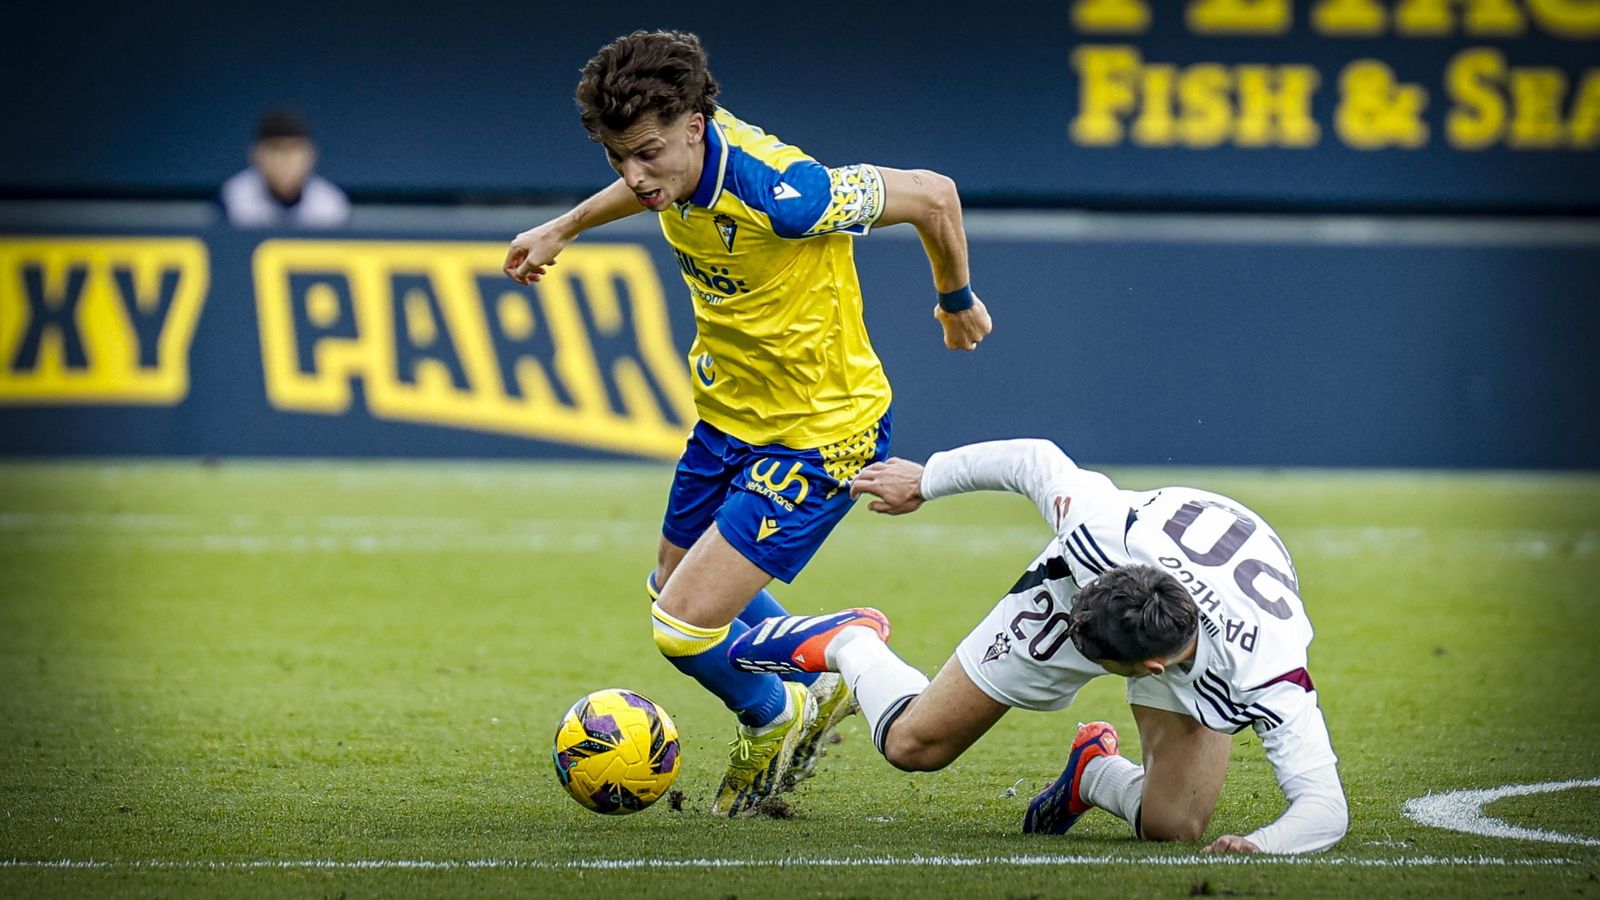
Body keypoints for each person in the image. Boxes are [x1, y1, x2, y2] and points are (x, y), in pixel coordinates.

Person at [502, 30, 992, 817]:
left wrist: (955, 298)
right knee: (669, 582)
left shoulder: (787, 193)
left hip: (821, 433)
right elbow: (649, 184)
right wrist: (564, 227)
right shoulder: (669, 169)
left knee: (679, 629)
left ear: (697, 126)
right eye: (619, 157)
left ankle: (825, 657)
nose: (635, 174)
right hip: (730, 418)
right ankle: (781, 703)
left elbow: (934, 194)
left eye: (649, 152)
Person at [729, 439, 1348, 853]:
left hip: (1206, 623)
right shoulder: (1099, 537)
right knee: (914, 744)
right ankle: (852, 643)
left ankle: (1093, 773)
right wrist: (928, 479)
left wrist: (1260, 845)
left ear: (1151, 669)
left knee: (1174, 828)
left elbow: (1324, 808)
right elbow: (1037, 459)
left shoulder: (1266, 673)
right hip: (1127, 578)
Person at [220, 108, 350, 228]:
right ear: (256, 154)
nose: (284, 160)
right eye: (275, 149)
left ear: (310, 154)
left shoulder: (329, 201)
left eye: (293, 150)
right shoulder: (233, 195)